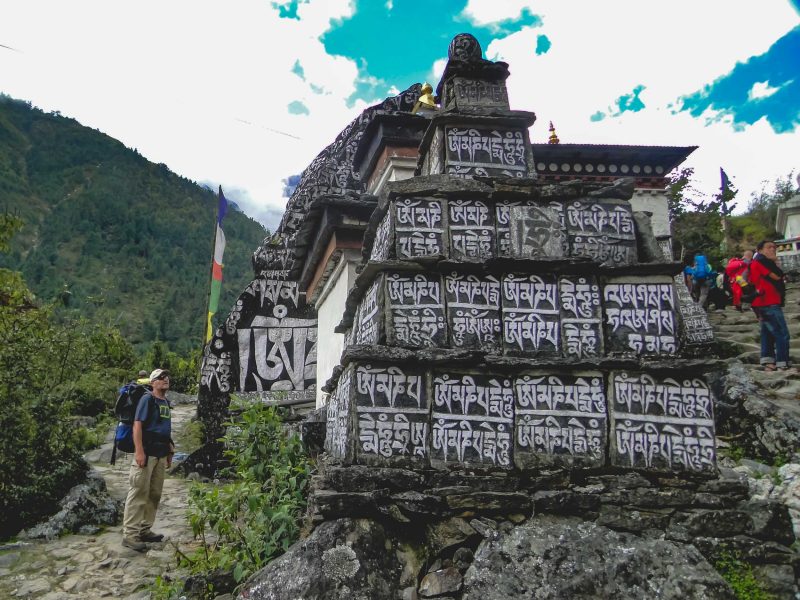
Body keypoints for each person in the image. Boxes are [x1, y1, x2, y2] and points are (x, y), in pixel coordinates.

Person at [122, 368, 175, 551]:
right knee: (138, 492)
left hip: (160, 454)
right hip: (146, 453)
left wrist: (169, 451)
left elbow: (165, 428)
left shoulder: (165, 402)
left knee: (154, 494)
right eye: (160, 378)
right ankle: (130, 534)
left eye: (166, 377)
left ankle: (145, 529)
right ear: (153, 383)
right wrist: (139, 451)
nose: (165, 379)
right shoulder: (147, 399)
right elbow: (138, 426)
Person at [750, 241, 793, 372]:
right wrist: (775, 261)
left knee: (767, 333)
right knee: (782, 333)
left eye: (774, 247)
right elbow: (777, 276)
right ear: (760, 250)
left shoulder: (757, 262)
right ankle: (782, 363)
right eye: (769, 247)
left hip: (760, 303)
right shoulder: (761, 262)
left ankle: (768, 361)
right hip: (768, 301)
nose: (773, 250)